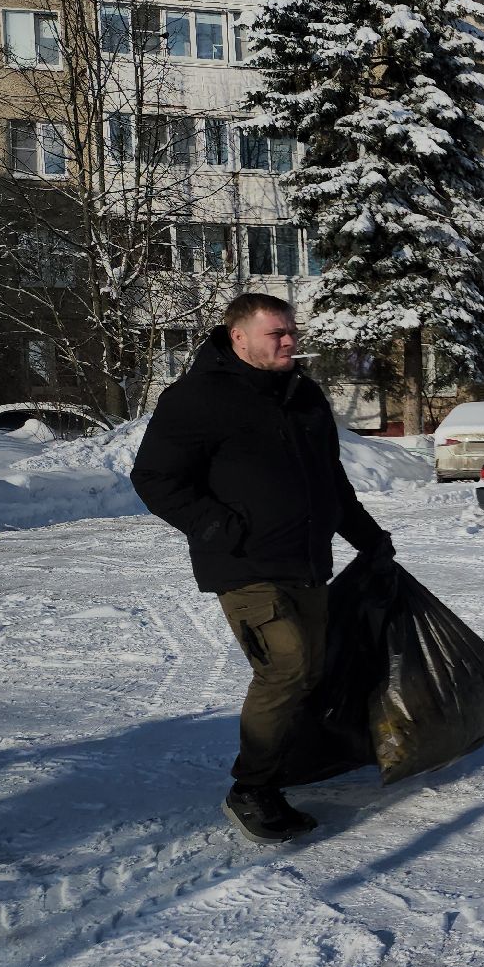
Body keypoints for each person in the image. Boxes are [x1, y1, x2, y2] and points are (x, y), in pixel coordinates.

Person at [131, 293, 392, 843]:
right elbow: (155, 478)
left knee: (312, 670)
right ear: (238, 338)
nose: (290, 341)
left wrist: (367, 538)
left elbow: (330, 482)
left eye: (292, 330)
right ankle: (250, 788)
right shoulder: (196, 398)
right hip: (244, 564)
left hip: (307, 561)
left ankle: (278, 771)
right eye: (277, 333)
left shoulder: (304, 395)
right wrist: (218, 527)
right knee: (287, 667)